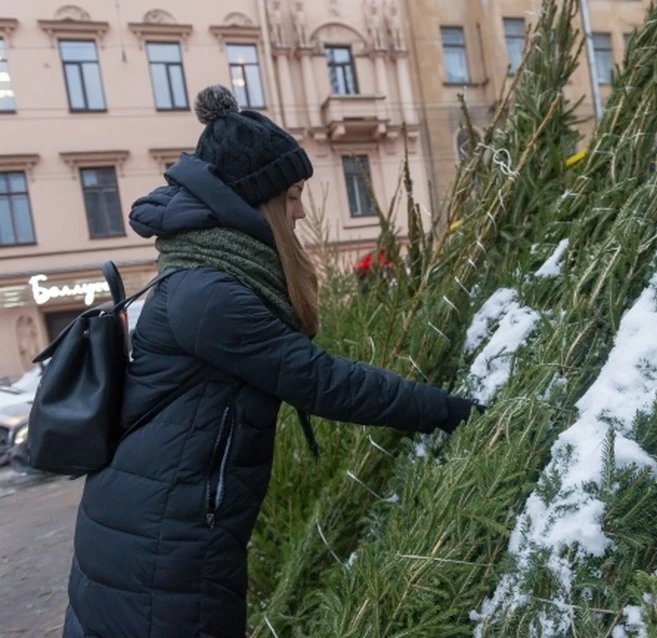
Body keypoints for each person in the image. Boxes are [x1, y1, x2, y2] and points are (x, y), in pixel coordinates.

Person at [62, 85, 483, 638]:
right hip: (162, 550)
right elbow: (324, 382)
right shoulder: (212, 294)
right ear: (255, 200)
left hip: (158, 531)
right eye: (292, 196)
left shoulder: (207, 269)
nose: (302, 210)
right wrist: (455, 412)